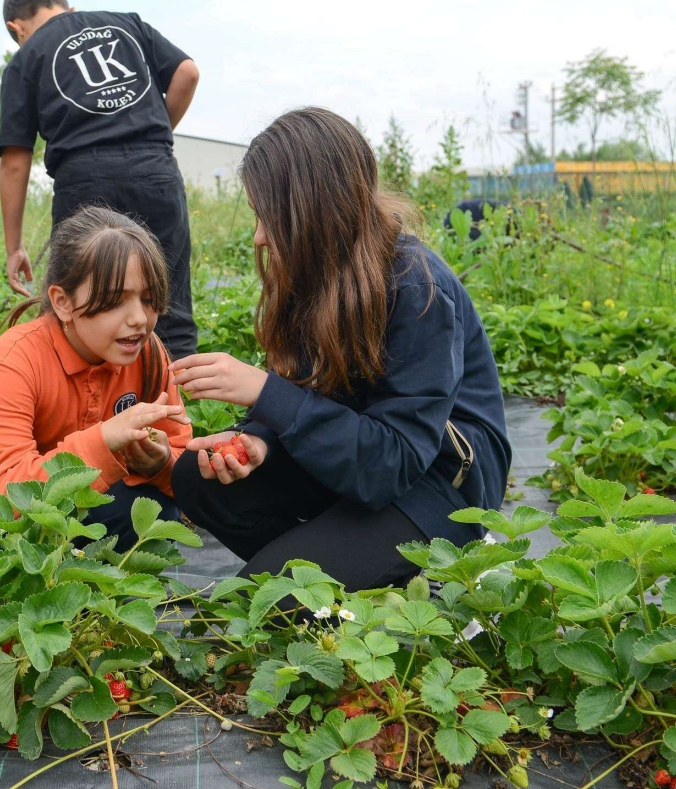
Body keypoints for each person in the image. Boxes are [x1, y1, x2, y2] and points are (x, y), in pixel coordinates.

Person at [168, 108, 511, 591]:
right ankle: (360, 571)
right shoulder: (313, 269)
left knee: (279, 600)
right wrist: (260, 440)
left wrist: (265, 392)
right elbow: (310, 393)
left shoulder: (416, 287)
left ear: (312, 212)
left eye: (269, 217)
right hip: (357, 459)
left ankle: (406, 568)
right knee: (197, 477)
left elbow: (392, 463)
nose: (259, 236)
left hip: (434, 479)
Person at [0, 206, 192, 550]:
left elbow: (180, 457)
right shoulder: (13, 361)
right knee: (8, 529)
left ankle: (71, 571)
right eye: (115, 301)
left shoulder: (147, 355)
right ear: (63, 302)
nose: (139, 319)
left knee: (157, 512)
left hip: (80, 495)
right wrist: (104, 440)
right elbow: (6, 496)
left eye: (148, 299)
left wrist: (161, 464)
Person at [0, 0, 201, 360]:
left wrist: (14, 247)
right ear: (67, 7)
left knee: (80, 308)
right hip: (154, 170)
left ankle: (79, 393)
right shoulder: (127, 24)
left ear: (16, 28)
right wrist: (155, 136)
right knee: (167, 301)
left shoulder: (27, 57)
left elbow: (14, 161)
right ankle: (176, 394)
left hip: (84, 180)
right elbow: (187, 72)